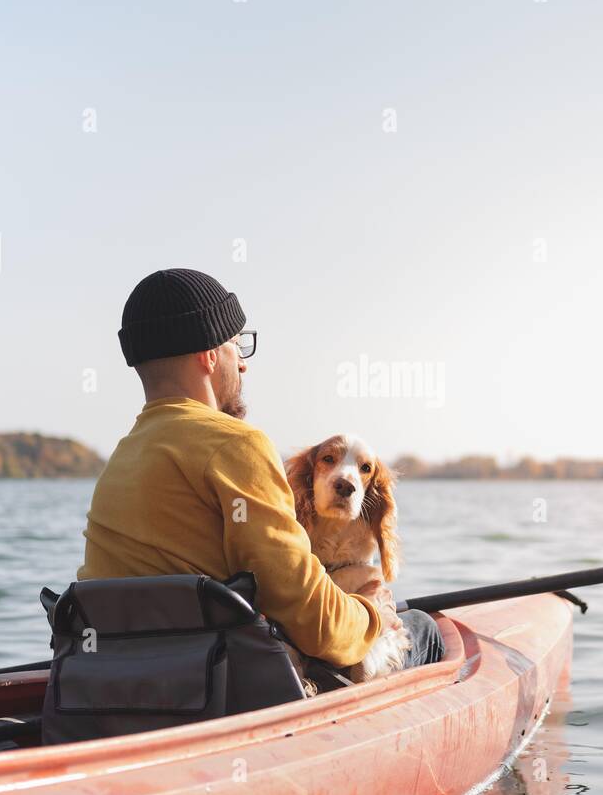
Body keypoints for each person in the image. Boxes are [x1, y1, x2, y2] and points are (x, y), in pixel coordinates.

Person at [78, 268, 443, 671]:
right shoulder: (236, 444)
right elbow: (313, 620)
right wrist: (373, 614)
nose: (244, 366)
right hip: (214, 692)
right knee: (424, 629)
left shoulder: (122, 459)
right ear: (210, 354)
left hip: (111, 677)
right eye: (238, 346)